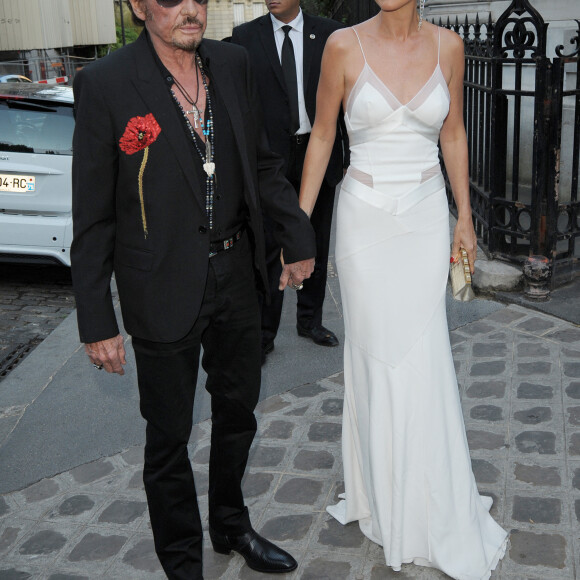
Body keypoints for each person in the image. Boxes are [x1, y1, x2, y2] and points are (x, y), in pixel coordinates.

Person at [70, 0, 316, 578]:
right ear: (137, 5)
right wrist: (96, 319)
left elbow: (261, 163)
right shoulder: (104, 83)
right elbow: (93, 214)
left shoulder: (232, 65)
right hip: (159, 287)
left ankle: (230, 524)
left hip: (238, 275)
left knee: (239, 413)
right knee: (168, 439)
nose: (189, 10)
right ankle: (183, 564)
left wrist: (296, 235)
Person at [298, 1, 509, 578]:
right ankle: (383, 495)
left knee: (425, 355)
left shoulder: (449, 46)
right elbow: (321, 137)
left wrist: (464, 216)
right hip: (364, 219)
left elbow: (454, 132)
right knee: (378, 359)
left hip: (423, 217)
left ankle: (428, 500)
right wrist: (298, 227)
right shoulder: (342, 46)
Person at [231, 0, 349, 363]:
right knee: (269, 245)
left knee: (314, 236)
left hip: (318, 150)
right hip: (270, 161)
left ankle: (310, 320)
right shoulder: (245, 37)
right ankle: (264, 333)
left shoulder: (330, 34)